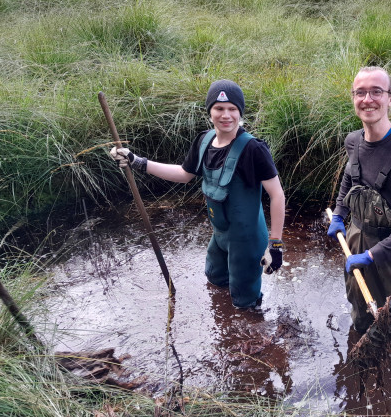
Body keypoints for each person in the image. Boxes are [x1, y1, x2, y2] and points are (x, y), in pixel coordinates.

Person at [110, 79, 285, 308]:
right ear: (210, 111)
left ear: (240, 112)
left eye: (232, 109)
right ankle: (225, 328)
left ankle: (252, 335)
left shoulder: (254, 149)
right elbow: (184, 174)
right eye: (219, 109)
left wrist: (275, 245)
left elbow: (277, 195)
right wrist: (139, 162)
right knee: (214, 278)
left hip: (247, 240)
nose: (226, 115)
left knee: (245, 301)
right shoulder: (204, 141)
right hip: (220, 234)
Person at [327, 66, 391, 334]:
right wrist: (339, 213)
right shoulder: (353, 141)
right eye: (360, 92)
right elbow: (350, 178)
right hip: (355, 239)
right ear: (353, 98)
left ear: (390, 98)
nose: (368, 99)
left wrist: (373, 255)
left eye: (376, 91)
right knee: (361, 316)